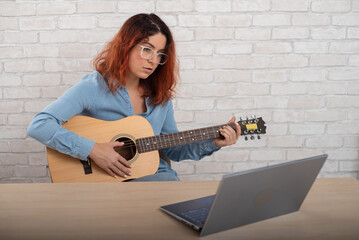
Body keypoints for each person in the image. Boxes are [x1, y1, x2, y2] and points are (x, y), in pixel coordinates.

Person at [27, 13, 241, 182]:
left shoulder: (161, 98)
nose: (153, 60)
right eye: (147, 49)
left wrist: (214, 142)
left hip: (154, 178)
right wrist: (92, 150)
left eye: (160, 54)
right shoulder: (92, 87)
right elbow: (39, 125)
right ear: (126, 46)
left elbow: (173, 149)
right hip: (103, 182)